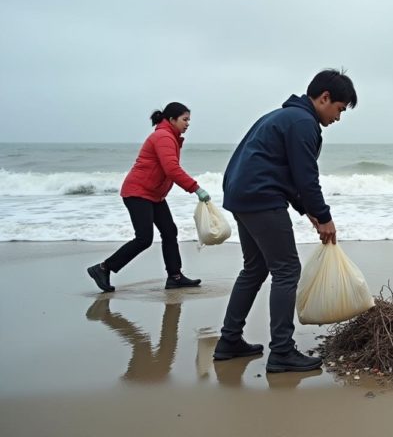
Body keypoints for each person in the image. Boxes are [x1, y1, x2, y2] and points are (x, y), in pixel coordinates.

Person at [212, 69, 357, 373]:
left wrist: (312, 214)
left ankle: (229, 342)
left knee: (254, 269)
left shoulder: (281, 116)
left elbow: (287, 175)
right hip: (261, 198)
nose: (338, 118)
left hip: (242, 195)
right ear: (324, 98)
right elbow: (306, 179)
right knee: (287, 269)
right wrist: (325, 216)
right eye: (340, 109)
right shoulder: (304, 123)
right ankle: (281, 351)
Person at [87, 102, 210, 292]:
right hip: (138, 192)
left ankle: (175, 277)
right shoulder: (163, 137)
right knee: (144, 238)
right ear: (171, 119)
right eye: (185, 120)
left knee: (169, 231)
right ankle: (103, 268)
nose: (188, 124)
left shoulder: (170, 137)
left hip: (153, 194)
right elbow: (172, 169)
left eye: (189, 120)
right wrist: (196, 188)